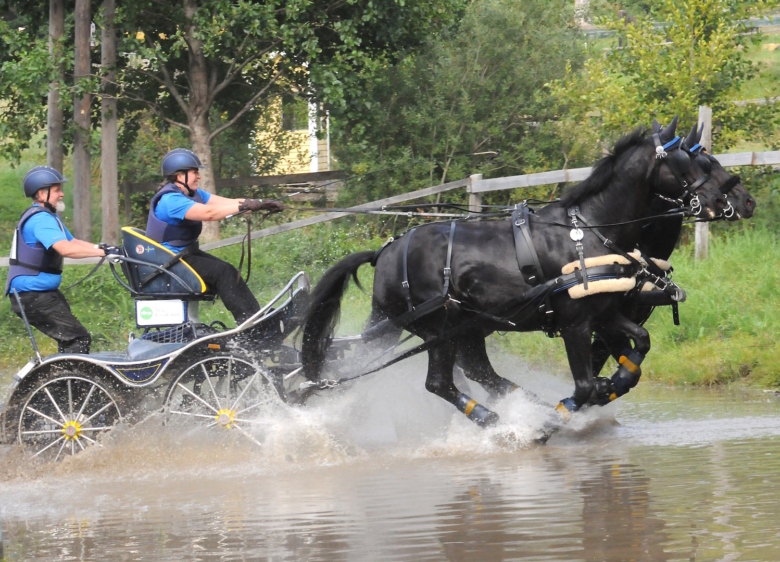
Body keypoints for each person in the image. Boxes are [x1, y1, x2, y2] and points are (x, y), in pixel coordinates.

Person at [145, 148, 283, 323]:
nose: (198, 176)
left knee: (229, 271)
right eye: (194, 172)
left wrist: (260, 203)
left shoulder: (193, 194)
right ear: (180, 176)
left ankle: (256, 320)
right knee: (222, 272)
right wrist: (244, 206)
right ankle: (251, 325)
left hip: (183, 255)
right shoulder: (171, 200)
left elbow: (226, 203)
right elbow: (209, 213)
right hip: (169, 262)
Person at [5, 166, 121, 354]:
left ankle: (62, 372)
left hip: (41, 293)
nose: (62, 194)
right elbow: (66, 249)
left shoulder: (48, 217)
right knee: (77, 338)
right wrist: (103, 253)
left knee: (72, 339)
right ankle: (66, 374)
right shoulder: (40, 220)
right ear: (41, 194)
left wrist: (104, 249)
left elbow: (72, 242)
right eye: (57, 190)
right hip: (32, 295)